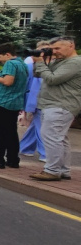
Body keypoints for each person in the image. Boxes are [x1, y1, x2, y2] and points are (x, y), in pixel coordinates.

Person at [30, 36, 81, 182]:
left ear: (71, 46)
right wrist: (41, 60)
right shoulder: (60, 61)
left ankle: (52, 170)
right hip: (54, 104)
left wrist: (41, 63)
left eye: (57, 48)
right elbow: (38, 74)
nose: (54, 51)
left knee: (51, 137)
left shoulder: (75, 62)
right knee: (60, 138)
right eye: (52, 49)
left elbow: (52, 79)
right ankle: (63, 170)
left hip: (60, 105)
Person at [19, 41, 51, 161]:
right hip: (36, 99)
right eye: (41, 50)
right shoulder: (30, 63)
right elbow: (26, 82)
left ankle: (25, 148)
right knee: (41, 126)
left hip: (44, 99)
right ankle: (45, 154)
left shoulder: (51, 63)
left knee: (36, 125)